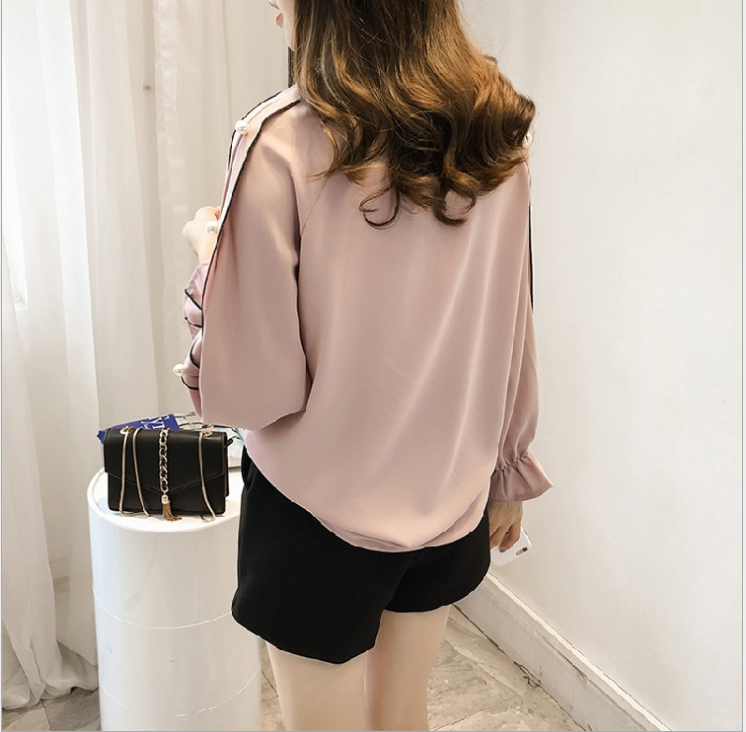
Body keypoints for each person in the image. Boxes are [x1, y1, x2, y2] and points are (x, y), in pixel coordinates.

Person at [179, 0, 554, 729]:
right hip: (450, 491)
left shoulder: (281, 139)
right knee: (402, 713)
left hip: (316, 512)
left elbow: (254, 389)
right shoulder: (494, 123)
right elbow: (514, 314)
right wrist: (509, 467)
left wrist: (210, 259)